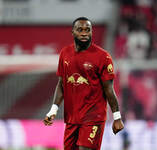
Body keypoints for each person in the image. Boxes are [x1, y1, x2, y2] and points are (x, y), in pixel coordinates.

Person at [43, 17, 124, 150]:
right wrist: (53, 110)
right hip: (72, 118)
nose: (84, 33)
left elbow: (109, 89)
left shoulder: (103, 57)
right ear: (72, 32)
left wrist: (117, 117)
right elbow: (62, 84)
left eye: (88, 30)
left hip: (93, 117)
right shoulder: (65, 54)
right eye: (80, 30)